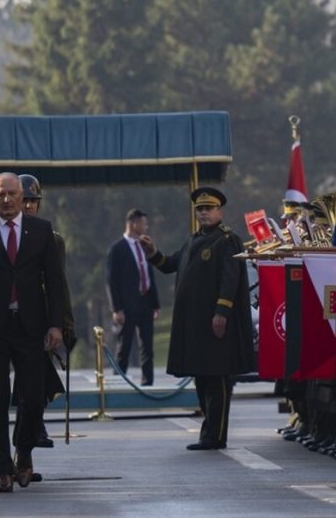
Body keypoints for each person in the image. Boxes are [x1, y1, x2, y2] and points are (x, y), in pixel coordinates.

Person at [0, 172, 66, 493]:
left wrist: (56, 324)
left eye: (12, 193)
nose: (6, 199)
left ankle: (24, 450)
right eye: (0, 194)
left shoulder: (42, 231)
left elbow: (55, 282)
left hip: (31, 326)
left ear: (23, 197)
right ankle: (2, 467)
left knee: (32, 397)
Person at [141, 187, 255, 450]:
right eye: (200, 209)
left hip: (215, 323)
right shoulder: (194, 240)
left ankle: (216, 436)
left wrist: (222, 312)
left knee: (217, 378)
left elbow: (230, 279)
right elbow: (170, 264)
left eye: (209, 208)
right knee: (202, 378)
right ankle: (208, 432)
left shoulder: (227, 240)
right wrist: (152, 252)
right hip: (195, 326)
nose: (204, 213)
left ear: (220, 211)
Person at [14, 173, 75, 453]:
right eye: (23, 200)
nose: (28, 206)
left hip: (42, 318)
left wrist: (63, 322)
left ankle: (33, 428)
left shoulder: (53, 239)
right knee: (30, 379)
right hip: (13, 318)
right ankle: (30, 430)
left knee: (39, 377)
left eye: (33, 201)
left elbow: (58, 283)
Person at [106, 208, 160, 385]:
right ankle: (118, 382)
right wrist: (116, 309)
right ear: (133, 223)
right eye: (143, 223)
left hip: (145, 302)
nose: (146, 227)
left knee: (147, 347)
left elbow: (149, 274)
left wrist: (155, 303)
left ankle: (148, 383)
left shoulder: (145, 245)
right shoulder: (117, 249)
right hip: (127, 305)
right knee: (125, 346)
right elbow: (112, 281)